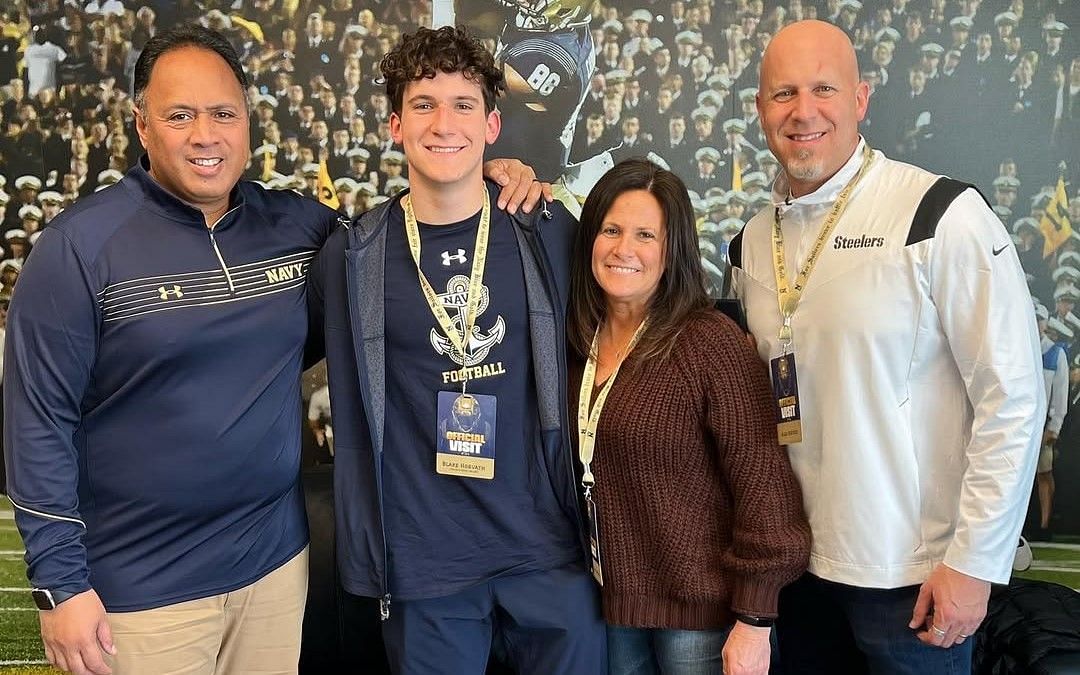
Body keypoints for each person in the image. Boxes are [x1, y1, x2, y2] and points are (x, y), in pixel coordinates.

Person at [4, 24, 548, 675]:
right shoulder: (77, 249)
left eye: (223, 114)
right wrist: (60, 585)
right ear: (141, 125)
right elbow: (37, 421)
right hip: (140, 593)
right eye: (180, 115)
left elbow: (405, 239)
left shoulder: (299, 228)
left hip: (273, 573)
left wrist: (481, 173)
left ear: (247, 122)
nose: (206, 134)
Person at [726, 20, 1044, 674]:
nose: (803, 111)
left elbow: (1012, 396)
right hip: (797, 575)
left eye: (824, 89)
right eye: (783, 93)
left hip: (913, 580)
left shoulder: (939, 213)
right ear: (760, 110)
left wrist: (973, 564)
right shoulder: (752, 242)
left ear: (862, 98)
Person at [307, 25, 607, 675]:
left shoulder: (548, 228)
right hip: (424, 565)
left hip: (547, 550)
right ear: (394, 125)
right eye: (423, 104)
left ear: (493, 124)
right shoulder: (352, 257)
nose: (445, 123)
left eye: (464, 104)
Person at [567, 157, 810, 675]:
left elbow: (762, 481)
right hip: (605, 609)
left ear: (672, 248)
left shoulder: (708, 342)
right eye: (610, 229)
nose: (623, 249)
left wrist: (754, 620)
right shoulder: (572, 342)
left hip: (700, 618)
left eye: (644, 235)